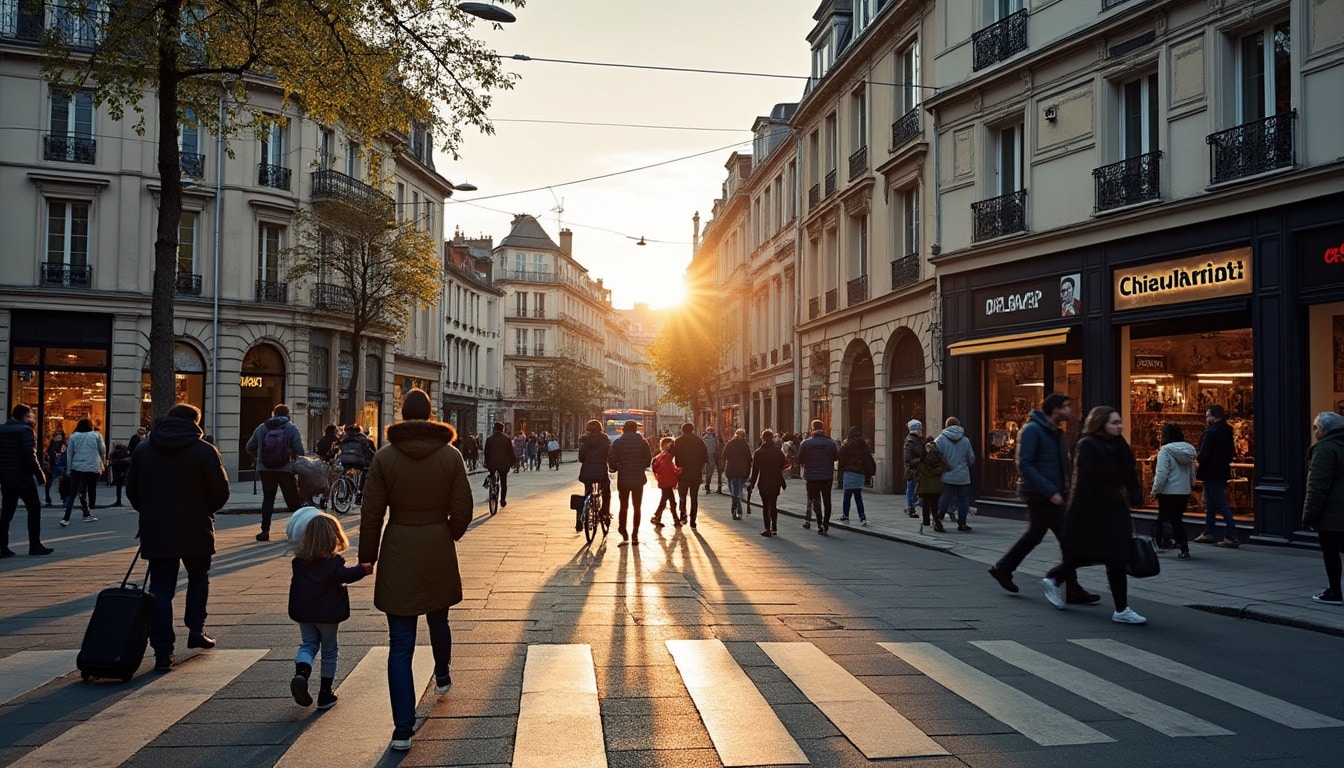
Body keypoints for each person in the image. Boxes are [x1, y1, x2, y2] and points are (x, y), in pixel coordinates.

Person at [358, 389, 472, 752]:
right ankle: (442, 674)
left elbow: (371, 512)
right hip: (437, 544)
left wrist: (367, 557)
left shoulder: (384, 457)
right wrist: (448, 532)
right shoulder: (451, 455)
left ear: (403, 416)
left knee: (401, 644)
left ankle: (402, 729)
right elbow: (464, 507)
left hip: (398, 546)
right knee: (439, 617)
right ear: (431, 415)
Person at [127, 403, 231, 671]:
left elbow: (132, 491)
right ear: (195, 421)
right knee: (198, 578)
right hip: (196, 527)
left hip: (156, 529)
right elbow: (221, 492)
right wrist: (204, 509)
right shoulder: (205, 451)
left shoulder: (144, 449)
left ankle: (163, 651)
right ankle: (196, 630)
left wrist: (150, 511)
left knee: (161, 589)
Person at [989, 393, 1099, 604]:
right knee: (1067, 538)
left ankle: (1003, 568)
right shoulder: (1032, 430)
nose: (1069, 410)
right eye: (1066, 407)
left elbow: (1060, 461)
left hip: (1053, 492)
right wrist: (1051, 491)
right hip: (1040, 494)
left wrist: (1066, 485)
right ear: (1054, 409)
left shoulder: (1055, 431)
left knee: (1038, 535)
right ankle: (1069, 586)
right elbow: (1026, 465)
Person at [1042, 406, 1147, 625]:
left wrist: (1135, 492)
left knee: (1116, 556)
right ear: (1101, 424)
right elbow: (1083, 481)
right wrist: (1080, 514)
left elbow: (1130, 472)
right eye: (1114, 423)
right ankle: (1055, 577)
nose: (1119, 426)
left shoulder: (1119, 443)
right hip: (1094, 508)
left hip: (1116, 507)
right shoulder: (1087, 445)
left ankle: (1120, 608)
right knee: (1095, 554)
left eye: (1119, 422)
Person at [288, 511, 371, 709]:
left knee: (307, 644)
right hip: (327, 615)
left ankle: (301, 674)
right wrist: (363, 569)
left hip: (305, 614)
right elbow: (346, 575)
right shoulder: (333, 564)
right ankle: (325, 693)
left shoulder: (299, 562)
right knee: (329, 650)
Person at [245, 404, 305, 542]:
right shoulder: (291, 428)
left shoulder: (262, 428)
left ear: (274, 413)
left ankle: (265, 531)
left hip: (265, 469)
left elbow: (249, 447)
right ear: (287, 414)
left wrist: (259, 458)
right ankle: (298, 530)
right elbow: (299, 450)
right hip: (286, 469)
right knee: (292, 501)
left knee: (268, 499)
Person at [1303, 411, 1344, 605]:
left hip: (1332, 512)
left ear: (1325, 429)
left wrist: (1309, 515)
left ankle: (1334, 591)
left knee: (1331, 552)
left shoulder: (1325, 448)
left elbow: (1317, 485)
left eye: (1316, 427)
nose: (1315, 431)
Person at [0, 404, 52, 557]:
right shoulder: (25, 431)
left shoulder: (1, 429)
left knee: (6, 512)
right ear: (26, 415)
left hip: (6, 477)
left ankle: (3, 547)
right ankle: (35, 545)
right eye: (31, 414)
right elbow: (30, 456)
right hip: (23, 477)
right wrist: (40, 475)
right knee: (34, 508)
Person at [1194, 404, 1239, 548]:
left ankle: (1231, 535)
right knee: (1211, 503)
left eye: (1208, 415)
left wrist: (1198, 460)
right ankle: (1209, 532)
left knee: (1219, 502)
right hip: (1222, 470)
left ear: (1215, 417)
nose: (1206, 418)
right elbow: (1231, 453)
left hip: (1211, 471)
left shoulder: (1211, 432)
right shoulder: (1227, 431)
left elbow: (1204, 453)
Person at [1150, 423, 1196, 561]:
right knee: (1177, 519)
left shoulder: (1165, 451)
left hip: (1168, 491)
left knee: (1163, 518)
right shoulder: (1189, 450)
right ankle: (1182, 546)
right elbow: (1192, 472)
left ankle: (1159, 543)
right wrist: (1190, 486)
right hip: (1183, 490)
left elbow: (1162, 473)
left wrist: (1155, 490)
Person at [607, 420, 652, 544]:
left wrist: (615, 467)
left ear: (625, 429)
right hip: (638, 479)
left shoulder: (618, 442)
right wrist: (641, 465)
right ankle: (635, 534)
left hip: (624, 479)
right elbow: (648, 459)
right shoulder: (643, 442)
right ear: (636, 429)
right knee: (637, 507)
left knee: (624, 506)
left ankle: (623, 530)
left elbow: (611, 457)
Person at [797, 420, 839, 535]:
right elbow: (836, 457)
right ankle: (826, 525)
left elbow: (799, 459)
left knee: (815, 500)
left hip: (812, 476)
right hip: (827, 475)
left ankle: (819, 523)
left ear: (812, 428)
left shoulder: (806, 443)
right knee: (827, 500)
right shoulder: (830, 443)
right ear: (823, 428)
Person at [62, 417, 106, 526]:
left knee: (73, 492)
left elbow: (69, 454)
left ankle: (66, 517)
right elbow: (103, 451)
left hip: (77, 466)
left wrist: (68, 468)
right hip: (92, 466)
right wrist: (103, 463)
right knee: (91, 489)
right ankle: (88, 511)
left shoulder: (73, 436)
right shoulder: (97, 436)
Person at [935, 416, 976, 532]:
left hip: (947, 474)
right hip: (962, 475)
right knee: (963, 499)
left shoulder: (941, 439)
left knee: (945, 497)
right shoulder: (965, 440)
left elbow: (935, 456)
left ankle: (938, 520)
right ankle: (962, 523)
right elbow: (971, 458)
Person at [747, 429, 787, 537]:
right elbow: (784, 464)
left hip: (764, 482)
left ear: (763, 439)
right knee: (773, 504)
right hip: (776, 481)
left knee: (766, 506)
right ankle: (774, 528)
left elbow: (755, 471)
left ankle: (767, 528)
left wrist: (752, 484)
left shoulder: (759, 453)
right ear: (772, 438)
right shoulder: (778, 451)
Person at [577, 420, 612, 532]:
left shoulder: (583, 440)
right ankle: (605, 512)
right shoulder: (604, 439)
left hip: (587, 471)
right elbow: (608, 454)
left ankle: (581, 514)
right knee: (606, 491)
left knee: (588, 490)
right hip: (601, 471)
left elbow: (581, 458)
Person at [671, 422, 708, 528]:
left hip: (682, 473)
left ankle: (683, 515)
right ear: (692, 429)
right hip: (696, 474)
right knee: (694, 498)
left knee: (682, 496)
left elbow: (670, 455)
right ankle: (693, 520)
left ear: (682, 430)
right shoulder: (699, 441)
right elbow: (705, 457)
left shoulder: (677, 441)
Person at [838, 427, 876, 525]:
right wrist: (870, 473)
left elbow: (840, 460)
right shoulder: (863, 446)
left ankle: (845, 516)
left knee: (847, 496)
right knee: (858, 496)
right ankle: (862, 517)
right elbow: (869, 460)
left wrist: (841, 473)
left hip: (849, 472)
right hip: (860, 474)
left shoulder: (846, 447)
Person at [916, 436, 947, 532]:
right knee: (934, 505)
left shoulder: (924, 460)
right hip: (936, 487)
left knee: (925, 504)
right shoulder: (939, 460)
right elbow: (944, 468)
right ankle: (937, 521)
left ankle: (926, 522)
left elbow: (919, 471)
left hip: (925, 486)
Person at [338, 424, 375, 502]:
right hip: (358, 461)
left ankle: (342, 491)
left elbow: (337, 448)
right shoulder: (363, 439)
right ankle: (359, 494)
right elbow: (369, 451)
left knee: (344, 473)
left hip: (344, 460)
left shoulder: (344, 439)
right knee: (364, 473)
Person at [722, 428, 753, 520]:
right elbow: (749, 459)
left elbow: (724, 456)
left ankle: (735, 508)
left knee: (733, 491)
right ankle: (738, 509)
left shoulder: (730, 443)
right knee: (739, 490)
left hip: (731, 471)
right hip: (742, 472)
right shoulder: (745, 445)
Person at [650, 437, 681, 527]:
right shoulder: (666, 455)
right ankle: (672, 519)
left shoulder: (661, 455)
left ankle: (658, 517)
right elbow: (668, 467)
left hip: (664, 481)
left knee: (667, 500)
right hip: (666, 481)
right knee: (669, 501)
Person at [483, 422, 514, 508]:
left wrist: (486, 463)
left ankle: (492, 485)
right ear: (502, 429)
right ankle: (503, 500)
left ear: (494, 429)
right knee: (503, 482)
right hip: (503, 464)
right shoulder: (506, 439)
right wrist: (512, 463)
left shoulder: (489, 439)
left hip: (492, 464)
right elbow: (510, 452)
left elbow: (486, 453)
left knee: (493, 475)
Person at [902, 420, 924, 518]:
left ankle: (914, 507)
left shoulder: (919, 440)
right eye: (920, 428)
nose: (921, 430)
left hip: (918, 470)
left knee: (914, 489)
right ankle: (911, 508)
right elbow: (908, 459)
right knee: (911, 489)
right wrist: (920, 459)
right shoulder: (910, 441)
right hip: (912, 471)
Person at [42, 430, 64, 506]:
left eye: (60, 438)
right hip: (53, 466)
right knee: (50, 483)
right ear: (54, 438)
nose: (59, 439)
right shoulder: (51, 445)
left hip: (57, 466)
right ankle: (49, 498)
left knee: (58, 483)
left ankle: (50, 499)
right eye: (58, 438)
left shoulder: (60, 445)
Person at [107, 442, 131, 506]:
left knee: (118, 485)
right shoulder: (124, 453)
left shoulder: (114, 453)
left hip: (116, 470)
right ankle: (120, 500)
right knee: (122, 485)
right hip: (123, 470)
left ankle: (118, 500)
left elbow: (111, 459)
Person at [703, 427, 722, 494]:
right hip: (717, 456)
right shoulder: (717, 438)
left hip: (712, 456)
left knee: (709, 472)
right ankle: (718, 487)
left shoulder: (704, 438)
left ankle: (708, 485)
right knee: (719, 472)